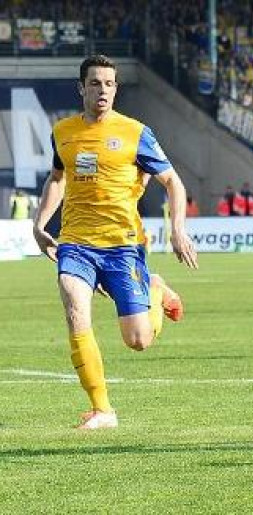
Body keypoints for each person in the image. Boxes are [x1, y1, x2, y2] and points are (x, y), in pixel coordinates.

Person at [32, 55, 199, 430]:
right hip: (75, 242)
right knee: (74, 303)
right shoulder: (63, 132)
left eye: (109, 84)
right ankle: (103, 410)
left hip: (123, 245)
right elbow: (57, 178)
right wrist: (39, 223)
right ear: (82, 88)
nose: (103, 90)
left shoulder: (136, 133)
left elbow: (173, 182)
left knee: (138, 340)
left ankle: (154, 289)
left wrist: (177, 229)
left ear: (116, 89)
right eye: (95, 83)